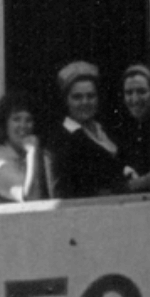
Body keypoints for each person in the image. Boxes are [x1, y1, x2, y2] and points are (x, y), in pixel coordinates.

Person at [48, 61, 128, 198]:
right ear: (66, 101)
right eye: (77, 97)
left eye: (90, 96)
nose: (85, 102)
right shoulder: (64, 140)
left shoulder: (104, 129)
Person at [0, 93, 46, 204]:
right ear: (4, 124)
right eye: (16, 119)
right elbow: (31, 198)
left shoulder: (23, 160)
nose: (23, 126)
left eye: (28, 120)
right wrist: (32, 152)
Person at [118, 64, 150, 192]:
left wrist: (136, 184)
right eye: (129, 93)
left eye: (142, 91)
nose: (135, 99)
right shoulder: (124, 130)